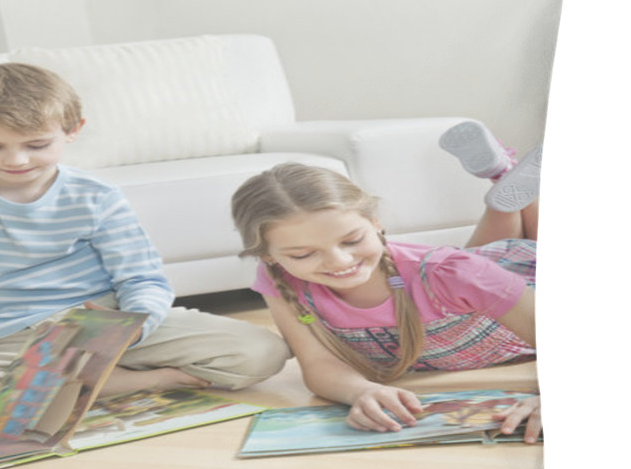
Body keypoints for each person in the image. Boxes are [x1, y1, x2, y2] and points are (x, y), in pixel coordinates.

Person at [0, 63, 289, 426]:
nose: (16, 160)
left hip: (102, 323)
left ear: (72, 130)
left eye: (36, 145)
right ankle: (126, 382)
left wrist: (132, 328)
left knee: (262, 353)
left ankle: (61, 382)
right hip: (6, 335)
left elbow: (141, 278)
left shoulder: (95, 195)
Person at [230, 121, 543, 443]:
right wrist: (361, 391)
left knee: (496, 260)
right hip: (479, 276)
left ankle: (509, 177)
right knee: (480, 262)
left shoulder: (454, 273)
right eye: (302, 254)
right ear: (268, 256)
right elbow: (318, 363)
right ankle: (505, 180)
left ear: (376, 222)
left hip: (529, 278)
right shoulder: (280, 279)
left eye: (352, 240)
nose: (339, 261)